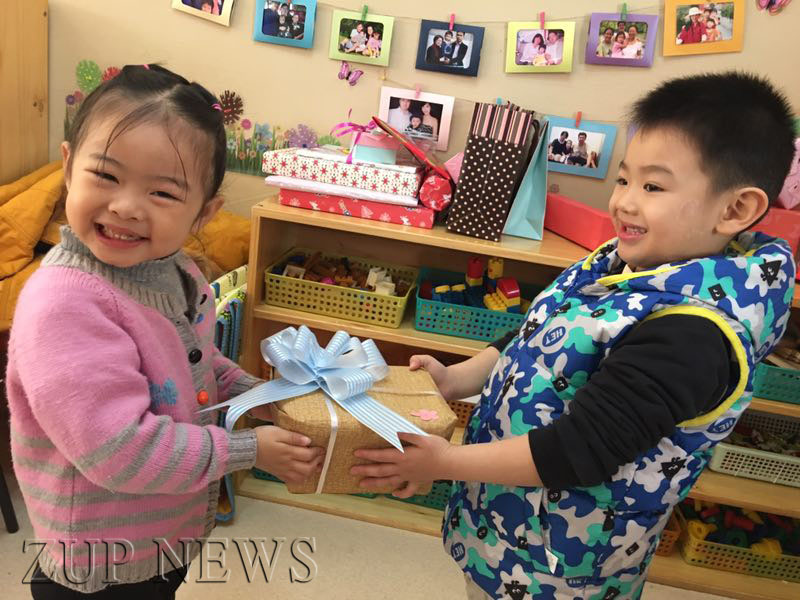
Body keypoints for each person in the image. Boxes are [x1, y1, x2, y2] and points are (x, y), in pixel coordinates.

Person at [352, 71, 796, 599]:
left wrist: (443, 462)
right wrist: (456, 378)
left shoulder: (692, 334)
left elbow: (579, 450)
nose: (624, 202)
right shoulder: (628, 262)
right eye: (624, 180)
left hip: (561, 567)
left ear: (736, 209)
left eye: (653, 187)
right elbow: (540, 335)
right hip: (504, 519)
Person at [6, 64, 325, 598]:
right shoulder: (64, 304)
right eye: (106, 176)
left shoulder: (175, 271)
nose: (126, 207)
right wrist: (248, 449)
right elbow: (120, 450)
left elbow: (194, 361)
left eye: (162, 193)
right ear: (68, 166)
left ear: (203, 214)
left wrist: (259, 396)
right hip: (100, 563)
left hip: (157, 537)